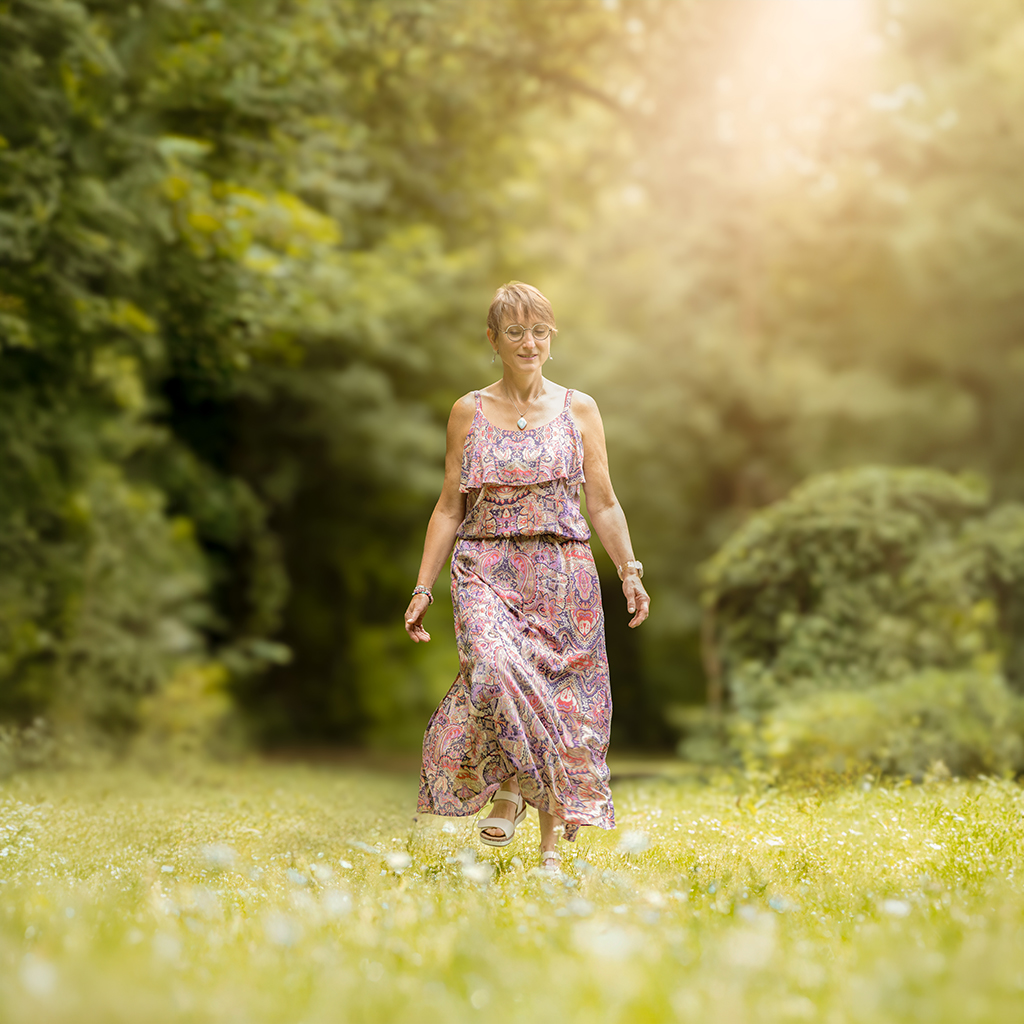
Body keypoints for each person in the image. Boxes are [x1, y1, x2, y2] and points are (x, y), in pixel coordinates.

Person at [405, 281, 650, 871]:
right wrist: (422, 585)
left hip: (564, 574)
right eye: (514, 331)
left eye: (539, 330)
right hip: (485, 565)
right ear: (493, 338)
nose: (528, 342)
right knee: (492, 666)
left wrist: (629, 571)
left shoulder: (579, 409)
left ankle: (548, 858)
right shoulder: (468, 410)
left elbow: (605, 502)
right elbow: (448, 507)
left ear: (551, 337)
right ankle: (511, 786)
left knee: (560, 700)